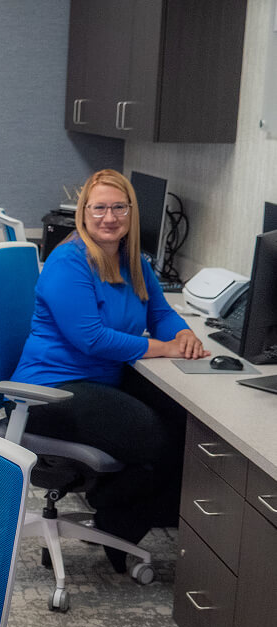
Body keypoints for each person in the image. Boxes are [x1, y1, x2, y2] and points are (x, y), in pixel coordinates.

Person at [12, 168, 209, 571]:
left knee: (186, 425)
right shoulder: (69, 262)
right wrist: (161, 347)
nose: (109, 217)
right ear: (84, 213)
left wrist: (184, 334)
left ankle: (118, 519)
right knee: (158, 440)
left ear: (131, 213)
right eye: (99, 208)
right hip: (51, 390)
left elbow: (160, 311)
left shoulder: (133, 260)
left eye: (119, 207)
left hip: (99, 382)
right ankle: (113, 513)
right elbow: (92, 338)